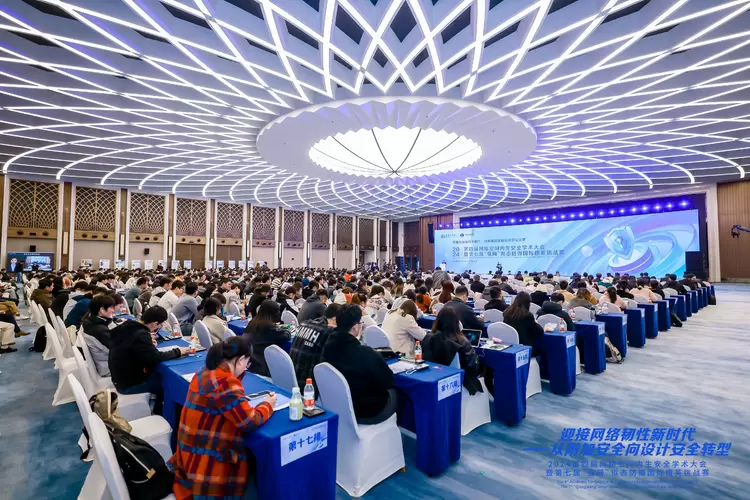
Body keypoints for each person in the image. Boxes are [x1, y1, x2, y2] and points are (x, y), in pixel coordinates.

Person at [169, 337, 275, 499]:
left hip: (189, 457)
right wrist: (268, 404)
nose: (246, 368)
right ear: (240, 360)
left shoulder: (204, 371)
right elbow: (250, 421)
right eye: (247, 364)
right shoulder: (225, 382)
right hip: (207, 465)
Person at [321, 304, 397, 424]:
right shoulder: (366, 354)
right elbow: (388, 381)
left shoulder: (327, 346)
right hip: (366, 411)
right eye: (361, 322)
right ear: (356, 327)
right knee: (395, 394)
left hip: (338, 406)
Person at [109, 306, 189, 414]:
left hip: (119, 377)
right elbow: (156, 357)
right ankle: (162, 412)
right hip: (128, 384)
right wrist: (178, 351)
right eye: (160, 325)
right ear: (155, 323)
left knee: (160, 374)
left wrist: (147, 344)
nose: (159, 327)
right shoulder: (141, 335)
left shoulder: (128, 325)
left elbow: (131, 345)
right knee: (169, 383)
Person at [421, 308, 482, 394]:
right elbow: (472, 365)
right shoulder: (462, 341)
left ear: (437, 321)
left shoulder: (429, 338)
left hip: (433, 378)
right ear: (456, 323)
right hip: (461, 382)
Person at [290, 303, 339, 393]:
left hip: (291, 378)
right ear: (335, 319)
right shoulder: (328, 332)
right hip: (308, 386)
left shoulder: (304, 323)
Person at [243, 300, 290, 377]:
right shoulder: (269, 327)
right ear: (273, 313)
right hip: (263, 365)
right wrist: (285, 329)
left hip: (250, 362)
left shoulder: (253, 322)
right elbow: (286, 336)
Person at [82, 294, 117, 377]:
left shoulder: (89, 321)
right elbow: (118, 348)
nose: (113, 310)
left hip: (102, 363)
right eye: (111, 307)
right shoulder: (100, 330)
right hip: (109, 367)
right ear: (102, 310)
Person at [502, 292, 545, 356]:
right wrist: (536, 323)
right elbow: (539, 331)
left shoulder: (506, 312)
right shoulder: (527, 315)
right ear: (528, 303)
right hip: (524, 347)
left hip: (509, 345)